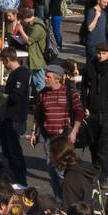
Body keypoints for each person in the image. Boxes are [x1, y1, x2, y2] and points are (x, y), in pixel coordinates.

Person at [30, 64, 84, 204]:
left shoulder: (69, 93)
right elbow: (38, 114)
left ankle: (70, 201)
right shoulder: (42, 93)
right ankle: (60, 201)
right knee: (51, 169)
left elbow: (79, 112)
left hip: (64, 137)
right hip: (48, 137)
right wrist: (33, 132)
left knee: (61, 171)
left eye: (48, 77)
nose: (45, 79)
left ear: (57, 79)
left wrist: (74, 131)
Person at [82, 42, 108, 176]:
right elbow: (82, 89)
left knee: (103, 147)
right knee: (93, 145)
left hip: (106, 114)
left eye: (103, 53)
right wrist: (84, 107)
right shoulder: (89, 67)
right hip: (91, 112)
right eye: (99, 53)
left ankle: (102, 175)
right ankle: (95, 170)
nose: (100, 56)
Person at [0, 48, 30, 185]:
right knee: (8, 150)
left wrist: (2, 95)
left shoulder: (21, 73)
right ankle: (12, 178)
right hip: (8, 117)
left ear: (7, 59)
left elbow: (16, 96)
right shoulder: (15, 73)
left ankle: (20, 180)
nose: (3, 65)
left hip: (15, 117)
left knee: (14, 151)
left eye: (3, 62)